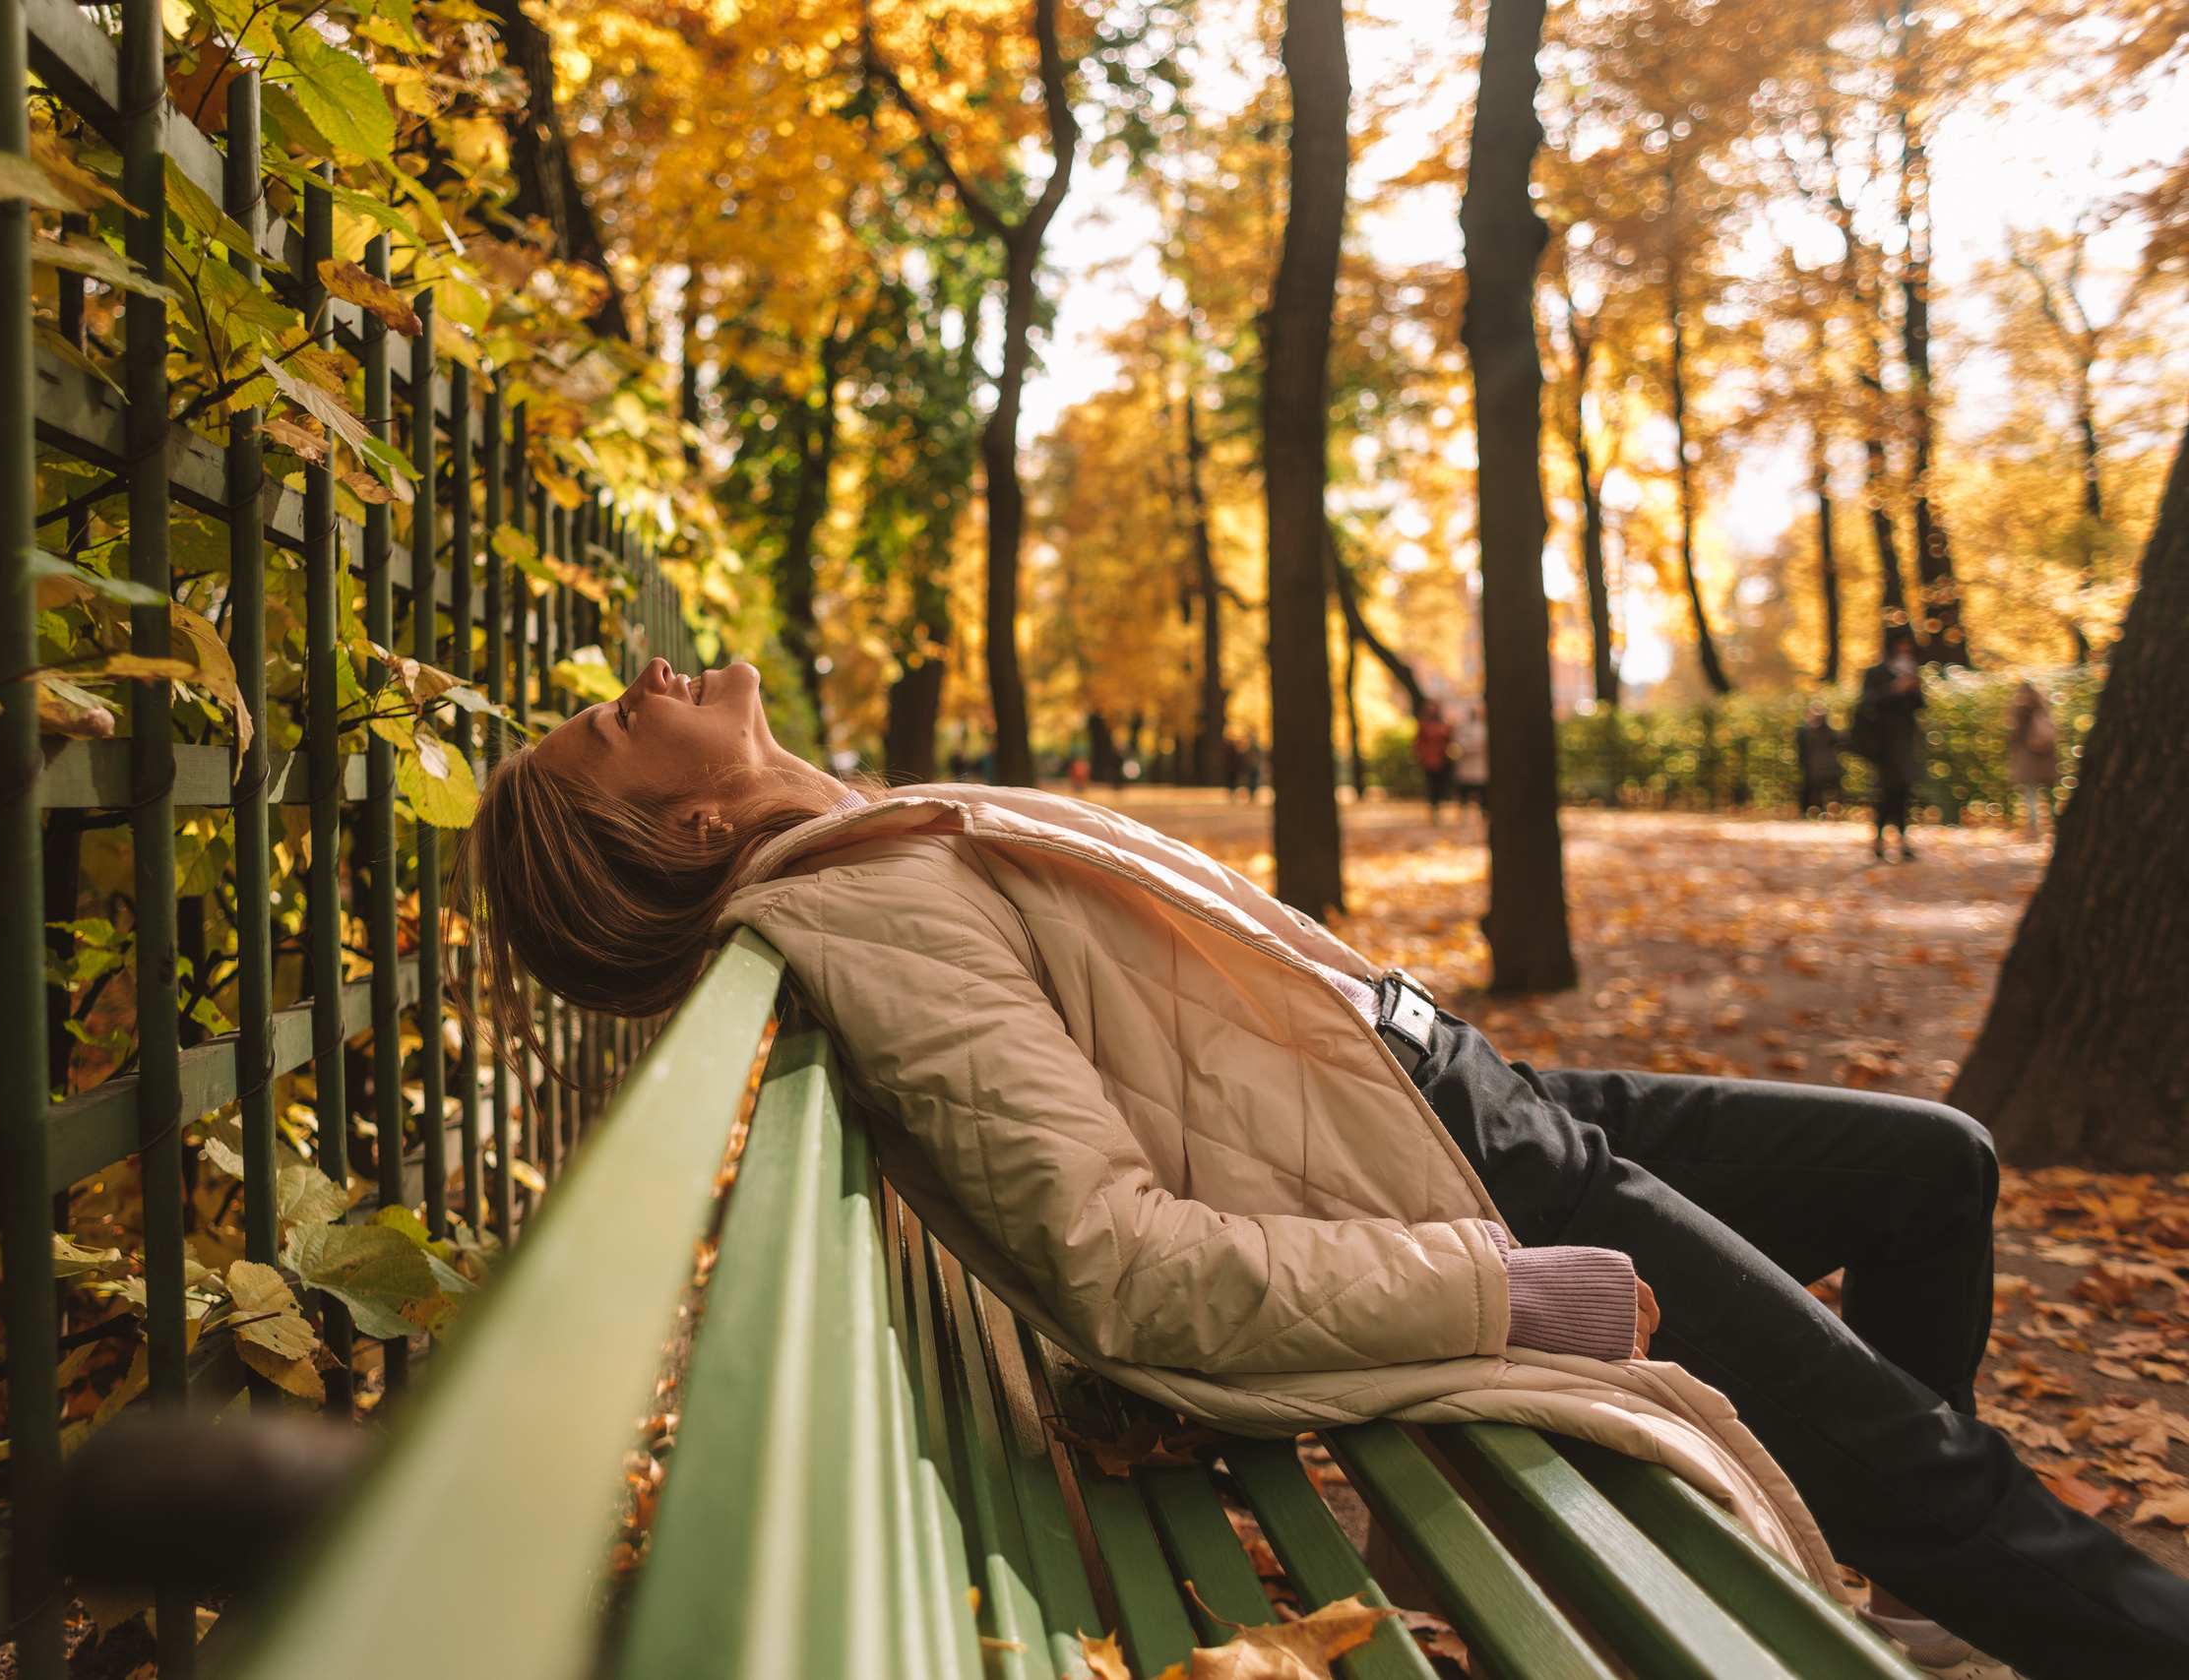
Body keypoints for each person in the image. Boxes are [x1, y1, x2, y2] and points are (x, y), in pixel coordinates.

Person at [468, 655, 2189, 1680]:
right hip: (1470, 1187)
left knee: (1933, 1166)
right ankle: (1959, 1539)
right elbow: (1119, 1263)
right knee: (1952, 1478)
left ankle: (1908, 1527)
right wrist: (1498, 1286)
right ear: (684, 831)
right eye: (606, 737)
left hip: (1471, 1097)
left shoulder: (875, 844)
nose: (626, 692)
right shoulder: (858, 908)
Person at [1852, 627, 1926, 862]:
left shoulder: (1912, 670)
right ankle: (1879, 842)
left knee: (1902, 792)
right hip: (1882, 743)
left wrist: (1914, 688)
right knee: (1886, 792)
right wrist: (1894, 690)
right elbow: (1866, 703)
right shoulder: (1877, 672)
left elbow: (1920, 706)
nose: (1905, 649)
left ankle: (1901, 842)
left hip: (1906, 741)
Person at [2006, 683, 2059, 841]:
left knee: (2030, 794)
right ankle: (2053, 824)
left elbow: (2015, 734)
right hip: (2046, 758)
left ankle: (2034, 829)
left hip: (2028, 758)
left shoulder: (2020, 710)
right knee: (2048, 794)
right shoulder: (2043, 708)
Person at [1795, 703, 1845, 818]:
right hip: (1815, 767)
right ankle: (1817, 810)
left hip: (1827, 766)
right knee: (1816, 790)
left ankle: (1830, 810)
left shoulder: (1829, 731)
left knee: (1829, 789)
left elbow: (1839, 743)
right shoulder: (1806, 732)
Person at [1413, 699, 1455, 825]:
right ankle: (1434, 811)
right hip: (1430, 761)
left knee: (1441, 786)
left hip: (1442, 760)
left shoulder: (1443, 723)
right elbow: (1418, 742)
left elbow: (1448, 737)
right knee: (1432, 787)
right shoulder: (1424, 723)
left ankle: (1439, 810)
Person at [1452, 700, 1488, 818]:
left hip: (1481, 766)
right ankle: (1464, 815)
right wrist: (1475, 746)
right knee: (1465, 792)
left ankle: (1482, 814)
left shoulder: (1486, 726)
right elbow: (1458, 744)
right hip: (1466, 765)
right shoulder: (1463, 727)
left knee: (1481, 792)